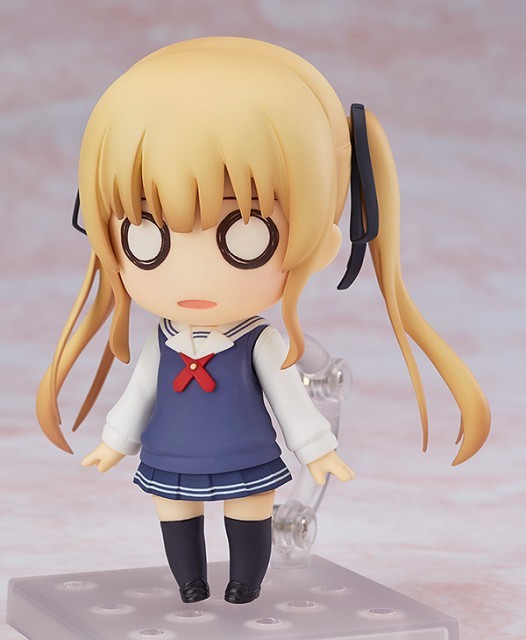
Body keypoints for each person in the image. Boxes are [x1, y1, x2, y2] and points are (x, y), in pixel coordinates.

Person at [36, 36, 490, 605]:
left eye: (243, 236)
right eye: (146, 236)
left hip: (245, 452)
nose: (192, 276)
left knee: (249, 510)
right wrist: (115, 441)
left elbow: (291, 399)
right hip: (170, 453)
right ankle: (190, 583)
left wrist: (316, 448)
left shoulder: (259, 341)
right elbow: (139, 394)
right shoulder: (162, 340)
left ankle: (245, 583)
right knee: (174, 512)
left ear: (318, 243)